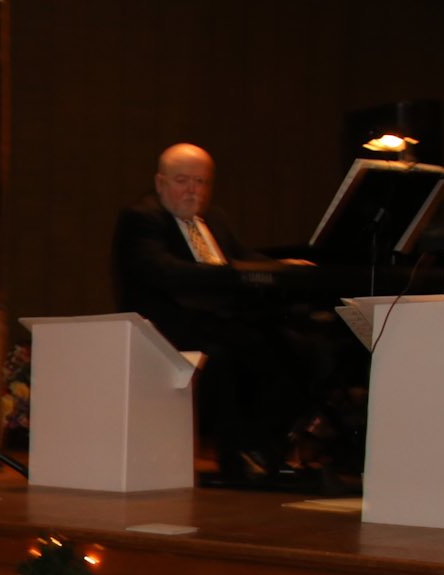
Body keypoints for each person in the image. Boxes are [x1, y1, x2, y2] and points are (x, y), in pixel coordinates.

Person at [112, 143, 325, 482]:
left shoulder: (214, 219)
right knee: (229, 356)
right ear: (160, 182)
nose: (193, 191)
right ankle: (237, 456)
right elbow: (163, 272)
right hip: (168, 323)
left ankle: (267, 448)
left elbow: (242, 258)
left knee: (298, 348)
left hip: (218, 320)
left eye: (201, 182)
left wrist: (282, 268)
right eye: (183, 181)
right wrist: (230, 275)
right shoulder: (142, 218)